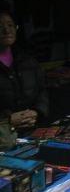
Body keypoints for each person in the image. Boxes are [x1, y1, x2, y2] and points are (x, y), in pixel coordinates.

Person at [0, 10, 49, 138]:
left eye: (10, 25)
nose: (6, 30)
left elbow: (42, 90)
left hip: (31, 131)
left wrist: (37, 111)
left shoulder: (28, 61)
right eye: (0, 26)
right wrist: (7, 119)